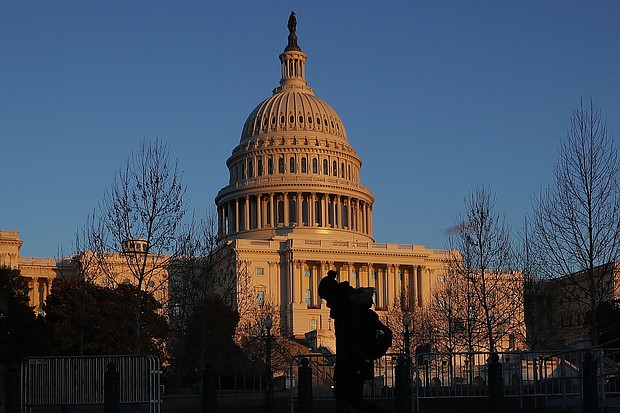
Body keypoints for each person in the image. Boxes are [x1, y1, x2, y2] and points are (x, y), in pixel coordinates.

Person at [318, 270, 388, 413]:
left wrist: (357, 362)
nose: (326, 304)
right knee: (354, 400)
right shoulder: (347, 307)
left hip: (352, 363)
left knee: (345, 401)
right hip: (352, 362)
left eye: (326, 298)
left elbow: (355, 338)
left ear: (332, 295)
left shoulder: (348, 310)